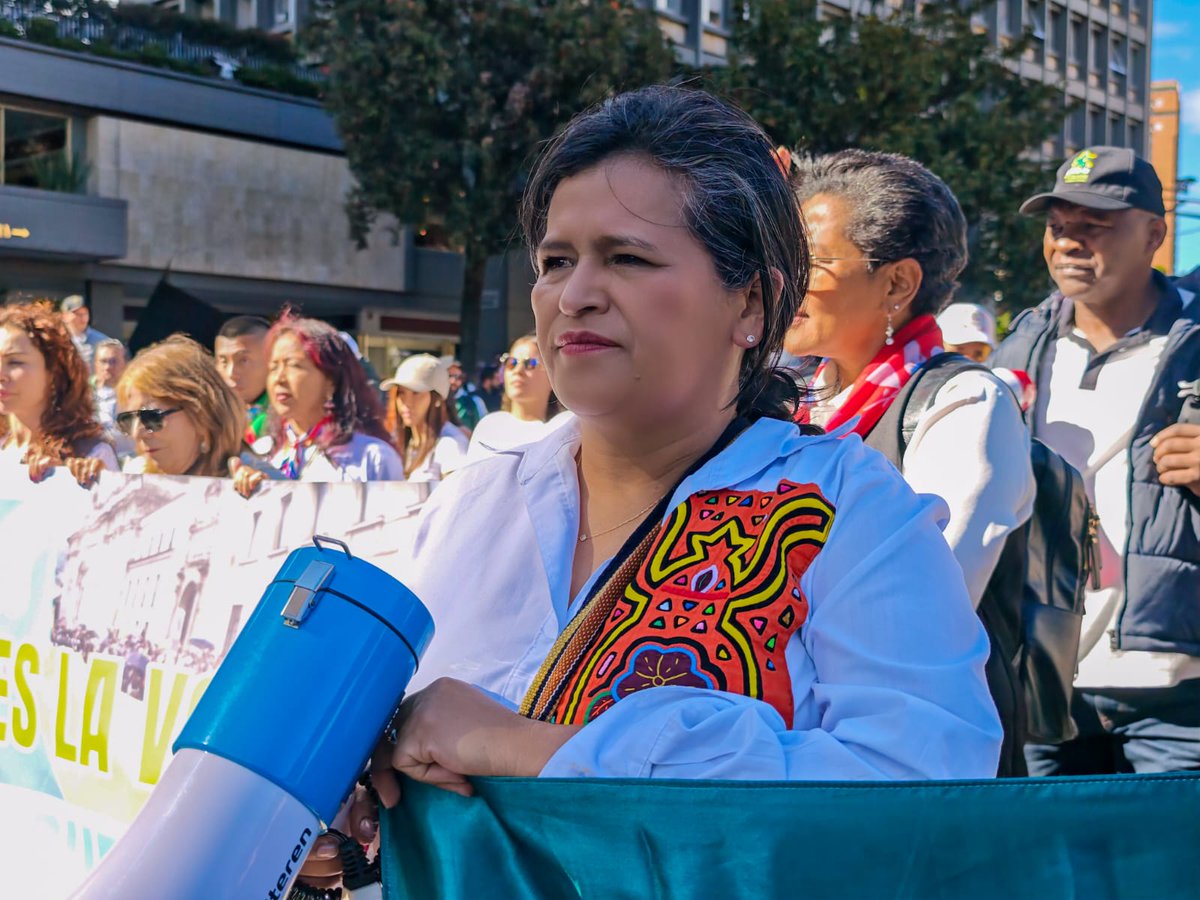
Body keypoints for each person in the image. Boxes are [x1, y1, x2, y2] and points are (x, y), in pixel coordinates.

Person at [991, 146, 1200, 775]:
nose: (1070, 245)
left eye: (1095, 226)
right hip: (1043, 679)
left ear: (1155, 235)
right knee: (1051, 871)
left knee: (1171, 872)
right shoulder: (1018, 347)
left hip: (1176, 686)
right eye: (1058, 227)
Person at [785, 150, 1035, 611]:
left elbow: (923, 602)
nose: (785, 279)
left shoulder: (967, 406)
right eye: (783, 256)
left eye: (812, 263)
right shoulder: (796, 398)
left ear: (897, 284)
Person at [231, 314, 403, 496]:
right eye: (273, 367)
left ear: (331, 380)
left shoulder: (372, 458)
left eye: (294, 365)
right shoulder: (261, 454)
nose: (279, 379)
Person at [0, 304, 117, 486]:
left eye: (15, 362)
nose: (1, 374)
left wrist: (68, 479)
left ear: (54, 372)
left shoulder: (90, 454)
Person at [117, 335, 246, 477]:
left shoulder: (259, 484)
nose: (137, 433)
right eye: (128, 420)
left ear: (202, 416)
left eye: (151, 417)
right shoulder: (132, 478)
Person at [467, 333, 570, 461]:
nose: (518, 371)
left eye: (530, 363)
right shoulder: (489, 426)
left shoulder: (565, 429)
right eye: (512, 363)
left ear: (553, 376)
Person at [382, 354, 469, 483]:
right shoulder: (404, 441)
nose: (407, 402)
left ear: (437, 398)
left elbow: (457, 499)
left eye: (416, 393)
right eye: (401, 393)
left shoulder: (451, 444)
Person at [214, 316, 272, 449]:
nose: (231, 373)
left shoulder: (286, 421)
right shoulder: (206, 417)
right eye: (223, 361)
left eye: (243, 361)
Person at [91, 339, 135, 461]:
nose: (108, 367)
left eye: (113, 361)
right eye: (103, 361)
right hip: (93, 462)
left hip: (129, 463)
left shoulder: (138, 395)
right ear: (95, 365)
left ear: (126, 364)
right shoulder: (82, 396)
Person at [58, 295, 111, 371]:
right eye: (78, 314)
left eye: (85, 313)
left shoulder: (102, 341)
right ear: (64, 316)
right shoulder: (57, 341)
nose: (83, 318)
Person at [444, 357, 488, 431]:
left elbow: (485, 429)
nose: (452, 381)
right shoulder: (436, 402)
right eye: (449, 376)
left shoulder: (475, 401)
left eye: (457, 377)